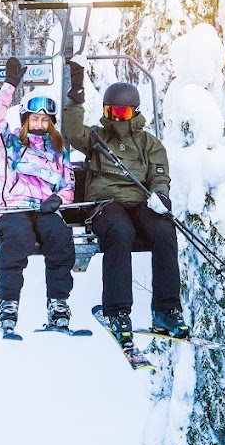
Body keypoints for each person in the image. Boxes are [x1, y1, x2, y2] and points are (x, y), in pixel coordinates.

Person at [61, 59, 188, 343]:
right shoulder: (96, 137)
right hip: (105, 203)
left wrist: (161, 195)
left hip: (140, 201)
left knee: (164, 231)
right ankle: (117, 310)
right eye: (112, 112)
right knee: (120, 231)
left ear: (134, 112)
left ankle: (166, 309)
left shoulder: (149, 143)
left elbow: (159, 174)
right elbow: (71, 130)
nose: (118, 118)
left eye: (123, 112)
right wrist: (76, 95)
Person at [0, 58, 77, 335]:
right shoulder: (11, 143)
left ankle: (58, 303)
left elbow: (68, 184)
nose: (39, 124)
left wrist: (59, 199)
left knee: (60, 237)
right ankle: (8, 302)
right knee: (19, 238)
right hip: (14, 210)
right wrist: (9, 86)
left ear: (51, 123)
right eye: (34, 119)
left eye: (45, 120)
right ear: (26, 120)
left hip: (44, 210)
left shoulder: (59, 152)